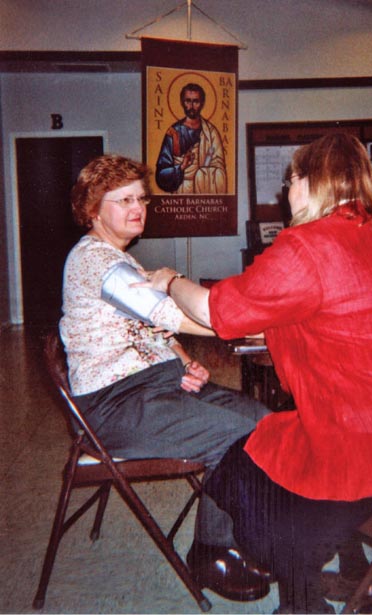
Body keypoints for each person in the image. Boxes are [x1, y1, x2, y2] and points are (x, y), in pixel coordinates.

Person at [141, 134, 372, 614]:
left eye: (291, 179)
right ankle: (356, 581)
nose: (285, 191)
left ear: (313, 182)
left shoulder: (308, 245)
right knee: (288, 466)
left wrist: (170, 280)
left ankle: (302, 601)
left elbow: (216, 310)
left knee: (244, 467)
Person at [59, 154, 271, 602]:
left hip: (155, 386)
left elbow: (154, 328)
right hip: (113, 407)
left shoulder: (122, 259)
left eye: (142, 198)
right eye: (124, 200)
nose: (138, 207)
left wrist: (180, 359)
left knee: (262, 418)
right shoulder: (93, 261)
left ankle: (240, 535)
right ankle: (212, 552)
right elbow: (169, 312)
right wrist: (258, 325)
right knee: (236, 435)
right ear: (94, 209)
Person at [156, 83, 227, 194]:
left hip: (204, 191)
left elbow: (219, 166)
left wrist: (202, 173)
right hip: (181, 191)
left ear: (202, 103)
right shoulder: (173, 132)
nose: (192, 106)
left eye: (196, 101)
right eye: (188, 101)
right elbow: (161, 174)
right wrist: (182, 167)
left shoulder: (210, 132)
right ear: (182, 102)